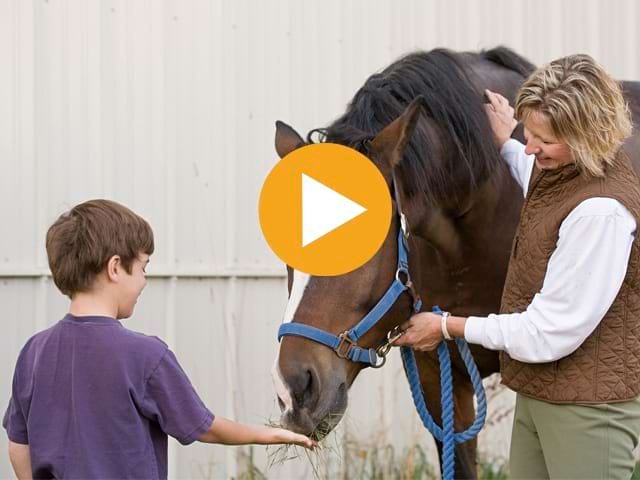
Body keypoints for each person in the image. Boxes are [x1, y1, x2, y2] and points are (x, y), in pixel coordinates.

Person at [394, 54, 640, 478]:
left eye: (543, 138)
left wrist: (448, 326)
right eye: (530, 133)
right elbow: (540, 181)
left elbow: (546, 331)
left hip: (588, 411)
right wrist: (509, 137)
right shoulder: (573, 171)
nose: (531, 147)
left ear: (587, 136)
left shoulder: (601, 213)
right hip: (545, 394)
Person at [3, 199, 316, 479]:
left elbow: (19, 445)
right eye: (143, 268)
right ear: (115, 267)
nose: (143, 281)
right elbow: (204, 427)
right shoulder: (144, 355)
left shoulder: (34, 351)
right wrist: (270, 434)